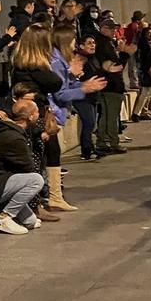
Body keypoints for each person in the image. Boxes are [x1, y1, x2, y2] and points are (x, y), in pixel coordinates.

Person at [9, 24, 64, 222]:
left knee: (44, 155)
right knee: (37, 158)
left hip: (34, 115)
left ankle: (47, 199)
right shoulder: (33, 67)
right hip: (34, 117)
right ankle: (36, 206)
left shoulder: (19, 65)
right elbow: (55, 83)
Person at [0, 91, 46, 235]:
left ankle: (5, 212)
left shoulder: (6, 129)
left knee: (31, 222)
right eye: (37, 112)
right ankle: (5, 217)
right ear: (30, 117)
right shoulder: (13, 137)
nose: (39, 114)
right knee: (36, 180)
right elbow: (28, 167)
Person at [49, 25, 106, 210]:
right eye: (73, 41)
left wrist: (79, 81)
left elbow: (65, 87)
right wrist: (83, 88)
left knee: (53, 156)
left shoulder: (61, 62)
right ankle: (52, 197)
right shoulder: (57, 63)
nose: (75, 45)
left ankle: (54, 196)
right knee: (51, 156)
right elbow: (60, 94)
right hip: (53, 114)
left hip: (57, 114)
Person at [93, 18, 136, 156]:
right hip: (111, 85)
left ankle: (103, 141)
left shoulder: (104, 43)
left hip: (107, 85)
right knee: (111, 116)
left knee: (106, 115)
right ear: (103, 28)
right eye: (112, 29)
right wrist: (124, 54)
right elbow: (117, 66)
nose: (115, 32)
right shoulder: (104, 44)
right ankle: (112, 142)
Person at [73, 35, 103, 160]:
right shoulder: (79, 59)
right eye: (89, 43)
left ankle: (90, 147)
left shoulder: (93, 58)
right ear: (81, 46)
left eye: (94, 43)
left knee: (91, 124)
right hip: (82, 97)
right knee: (89, 123)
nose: (92, 45)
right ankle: (86, 151)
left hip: (93, 96)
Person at [124, 11, 146, 90]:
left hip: (131, 47)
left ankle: (135, 82)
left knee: (133, 65)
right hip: (133, 47)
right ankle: (134, 82)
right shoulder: (136, 26)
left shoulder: (131, 26)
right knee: (133, 65)